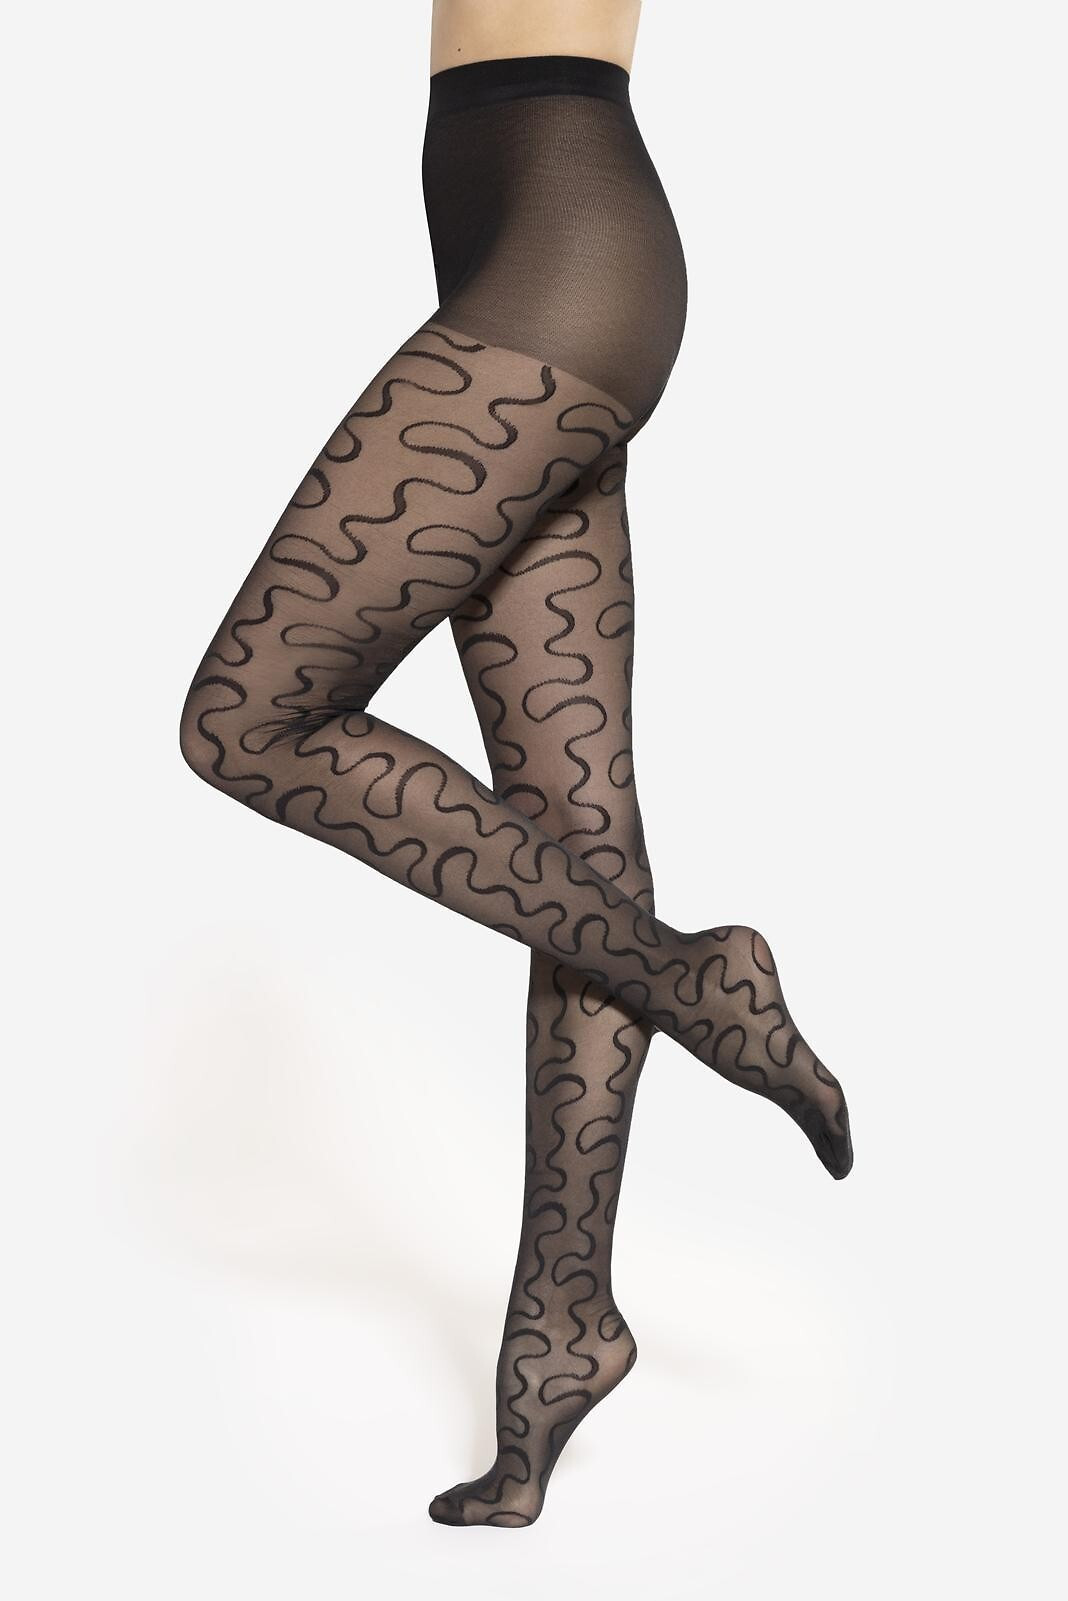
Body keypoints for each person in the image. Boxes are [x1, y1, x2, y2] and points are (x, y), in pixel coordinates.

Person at [179, 0, 853, 1528]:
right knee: (574, 837)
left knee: (248, 718)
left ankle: (698, 979)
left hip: (567, 240)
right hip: (521, 231)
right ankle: (564, 1326)